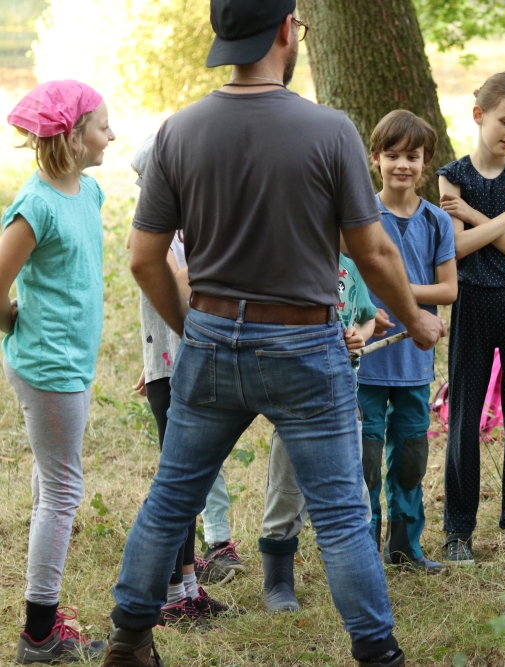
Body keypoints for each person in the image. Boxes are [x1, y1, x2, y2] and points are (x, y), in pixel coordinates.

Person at [102, 2, 444, 665]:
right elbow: (372, 252)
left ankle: (128, 641)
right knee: (343, 511)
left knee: (172, 496)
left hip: (208, 340)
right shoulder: (330, 131)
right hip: (304, 348)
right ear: (287, 30)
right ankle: (379, 654)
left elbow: (145, 259)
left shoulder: (177, 132)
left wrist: (198, 331)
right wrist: (414, 319)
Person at [0, 80, 113, 664]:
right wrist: (9, 318)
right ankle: (39, 634)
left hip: (73, 360)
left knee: (53, 482)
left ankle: (42, 626)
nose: (111, 135)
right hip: (48, 366)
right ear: (72, 137)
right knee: (65, 490)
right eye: (101, 126)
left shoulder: (87, 193)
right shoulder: (36, 203)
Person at [437, 72, 505, 566]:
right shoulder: (452, 177)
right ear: (479, 114)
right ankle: (457, 530)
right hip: (472, 302)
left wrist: (482, 219)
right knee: (464, 419)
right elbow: (456, 248)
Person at [129, 136, 238, 627]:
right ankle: (171, 593)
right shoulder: (157, 236)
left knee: (191, 482)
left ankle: (189, 585)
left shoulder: (184, 232)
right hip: (171, 368)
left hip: (183, 363)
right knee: (177, 485)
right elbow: (176, 287)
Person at [358, 110, 457, 574]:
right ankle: (364, 549)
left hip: (415, 360)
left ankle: (405, 547)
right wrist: (370, 299)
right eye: (392, 155)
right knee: (367, 458)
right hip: (367, 360)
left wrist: (395, 290)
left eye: (412, 157)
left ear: (426, 162)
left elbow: (449, 290)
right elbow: (348, 279)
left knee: (411, 456)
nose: (403, 165)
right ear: (375, 158)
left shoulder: (436, 222)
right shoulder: (359, 219)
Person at [258, 244, 378, 613]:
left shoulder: (351, 267)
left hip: (344, 398)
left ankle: (359, 576)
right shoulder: (289, 263)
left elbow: (367, 317)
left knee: (353, 492)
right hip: (295, 398)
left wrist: (360, 334)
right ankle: (278, 581)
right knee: (286, 490)